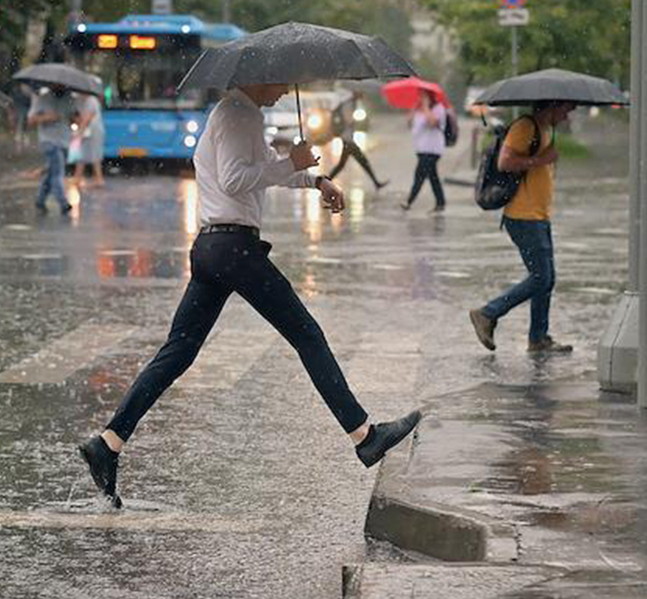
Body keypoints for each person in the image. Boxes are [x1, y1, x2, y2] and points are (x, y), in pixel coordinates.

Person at [77, 83, 423, 508]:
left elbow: (257, 172)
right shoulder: (240, 115)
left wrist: (313, 178)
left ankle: (108, 443)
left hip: (213, 249)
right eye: (278, 82)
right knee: (307, 335)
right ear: (258, 77)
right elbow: (237, 179)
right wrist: (288, 165)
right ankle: (365, 436)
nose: (282, 92)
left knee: (178, 353)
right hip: (234, 249)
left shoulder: (232, 114)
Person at [469, 100, 578, 355]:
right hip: (523, 216)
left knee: (547, 279)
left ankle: (538, 338)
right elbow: (504, 162)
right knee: (540, 277)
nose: (569, 113)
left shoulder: (545, 129)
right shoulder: (525, 127)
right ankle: (487, 313)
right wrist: (541, 159)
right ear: (553, 106)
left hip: (539, 215)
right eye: (566, 108)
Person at [26, 85, 75, 215]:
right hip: (49, 142)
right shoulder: (42, 99)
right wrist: (46, 118)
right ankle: (63, 203)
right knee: (57, 173)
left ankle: (40, 200)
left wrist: (74, 119)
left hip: (64, 141)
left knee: (51, 172)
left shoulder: (69, 99)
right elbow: (31, 121)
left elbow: (74, 118)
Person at [326, 93, 385, 189]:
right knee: (362, 161)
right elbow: (348, 119)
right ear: (356, 93)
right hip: (347, 139)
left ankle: (326, 181)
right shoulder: (349, 104)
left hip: (348, 139)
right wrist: (354, 119)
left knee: (343, 164)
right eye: (361, 92)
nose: (363, 94)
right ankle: (376, 183)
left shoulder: (352, 103)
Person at [401, 90, 446, 213]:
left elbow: (433, 123)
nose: (420, 98)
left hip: (432, 149)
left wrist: (426, 106)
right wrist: (413, 110)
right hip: (421, 149)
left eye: (423, 96)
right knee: (432, 177)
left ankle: (408, 201)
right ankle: (441, 202)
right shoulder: (419, 110)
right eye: (420, 96)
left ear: (430, 96)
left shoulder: (438, 108)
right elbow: (410, 124)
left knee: (419, 175)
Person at [71, 92, 106, 189]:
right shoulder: (79, 101)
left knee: (94, 154)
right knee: (82, 153)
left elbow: (87, 118)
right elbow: (79, 117)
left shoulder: (92, 101)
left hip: (94, 131)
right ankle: (77, 178)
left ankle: (99, 179)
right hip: (86, 131)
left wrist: (79, 132)